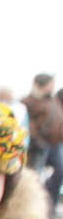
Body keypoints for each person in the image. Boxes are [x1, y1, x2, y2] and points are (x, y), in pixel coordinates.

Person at [22, 72, 63, 200]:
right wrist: (37, 139)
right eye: (50, 83)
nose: (52, 86)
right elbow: (27, 122)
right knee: (34, 175)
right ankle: (33, 206)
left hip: (55, 144)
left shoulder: (52, 100)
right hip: (40, 145)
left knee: (60, 170)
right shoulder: (30, 100)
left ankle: (49, 204)